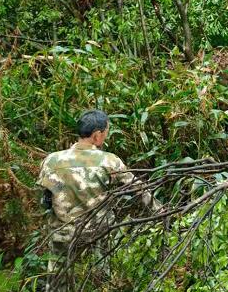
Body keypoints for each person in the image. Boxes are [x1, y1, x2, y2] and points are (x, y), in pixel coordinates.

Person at [37, 109, 158, 258]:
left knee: (58, 277)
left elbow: (46, 200)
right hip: (99, 236)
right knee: (101, 278)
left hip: (62, 237)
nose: (106, 136)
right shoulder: (110, 161)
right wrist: (161, 212)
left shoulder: (51, 161)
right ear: (97, 135)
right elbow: (138, 189)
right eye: (106, 132)